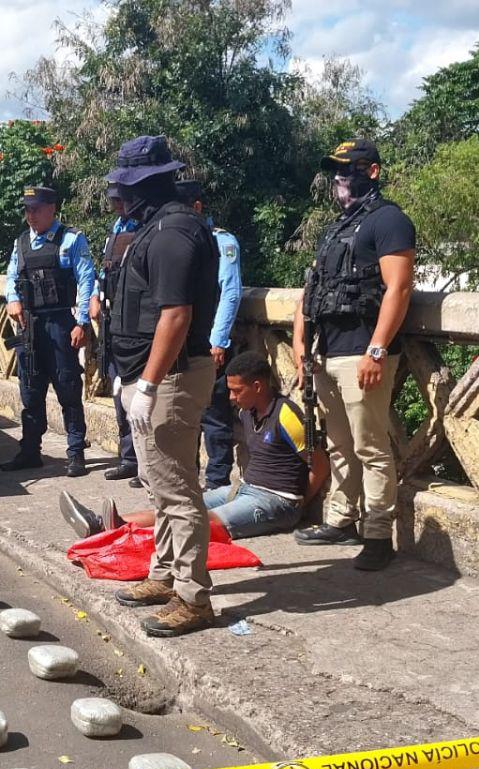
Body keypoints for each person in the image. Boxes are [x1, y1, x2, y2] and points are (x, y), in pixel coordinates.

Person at [107, 135, 219, 638]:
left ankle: (193, 597)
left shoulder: (174, 231)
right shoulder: (155, 226)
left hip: (172, 376)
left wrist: (148, 383)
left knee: (176, 489)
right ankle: (165, 574)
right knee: (158, 483)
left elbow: (176, 315)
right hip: (152, 373)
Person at [291, 138, 416, 572]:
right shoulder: (338, 227)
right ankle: (341, 518)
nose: (341, 178)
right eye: (337, 170)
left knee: (371, 447)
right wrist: (300, 340)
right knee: (339, 444)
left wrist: (376, 350)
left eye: (350, 169)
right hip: (328, 353)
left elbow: (398, 288)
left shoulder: (390, 221)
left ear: (373, 172)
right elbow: (314, 287)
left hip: (364, 352)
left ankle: (378, 534)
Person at [61, 351, 329, 542]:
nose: (232, 398)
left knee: (199, 521)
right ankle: (103, 524)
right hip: (245, 489)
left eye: (237, 391)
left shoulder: (286, 414)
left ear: (258, 386)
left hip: (275, 501)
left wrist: (299, 504)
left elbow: (319, 462)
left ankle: (119, 532)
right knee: (180, 505)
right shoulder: (247, 412)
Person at [0, 185, 97, 478]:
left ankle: (76, 452)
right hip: (30, 326)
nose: (31, 215)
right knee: (30, 391)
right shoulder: (21, 243)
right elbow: (10, 277)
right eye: (27, 210)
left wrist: (81, 322)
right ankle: (30, 451)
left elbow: (86, 280)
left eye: (36, 209)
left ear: (52, 208)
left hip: (59, 324)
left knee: (68, 387)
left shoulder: (70, 240)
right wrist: (13, 300)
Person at [175, 179, 243, 489]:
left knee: (215, 416)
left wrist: (218, 341)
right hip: (181, 342)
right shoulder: (177, 239)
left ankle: (217, 483)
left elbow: (230, 293)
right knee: (184, 417)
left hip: (208, 342)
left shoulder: (221, 242)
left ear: (197, 208)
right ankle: (189, 479)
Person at [89, 183, 141, 485]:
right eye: (113, 200)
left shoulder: (145, 227)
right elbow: (104, 271)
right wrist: (95, 296)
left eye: (120, 199)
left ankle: (142, 463)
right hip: (113, 323)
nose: (116, 205)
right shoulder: (116, 229)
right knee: (119, 394)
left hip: (135, 325)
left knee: (138, 400)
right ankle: (128, 458)